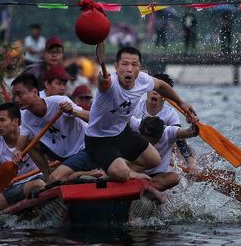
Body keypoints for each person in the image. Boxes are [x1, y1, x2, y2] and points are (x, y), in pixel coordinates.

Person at [84, 45, 197, 182]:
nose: (129, 69)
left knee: (154, 159)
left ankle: (120, 171)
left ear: (140, 68)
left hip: (121, 132)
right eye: (124, 64)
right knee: (120, 172)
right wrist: (102, 82)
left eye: (134, 64)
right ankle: (129, 174)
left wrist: (181, 102)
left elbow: (161, 85)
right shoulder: (110, 82)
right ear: (116, 66)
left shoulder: (143, 80)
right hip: (99, 138)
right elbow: (102, 82)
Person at [11, 73, 96, 183]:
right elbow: (22, 143)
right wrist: (17, 151)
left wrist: (73, 111)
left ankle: (83, 174)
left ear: (34, 92)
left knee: (57, 178)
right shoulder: (26, 116)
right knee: (30, 145)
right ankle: (48, 177)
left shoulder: (59, 102)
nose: (16, 99)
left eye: (19, 94)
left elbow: (93, 119)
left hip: (82, 149)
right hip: (62, 155)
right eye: (15, 95)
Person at [0, 103, 46, 211]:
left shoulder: (31, 136)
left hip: (37, 177)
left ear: (16, 122)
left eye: (2, 120)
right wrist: (2, 180)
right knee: (39, 185)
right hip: (11, 187)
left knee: (47, 181)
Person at [132, 73, 198, 174]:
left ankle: (180, 162)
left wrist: (191, 162)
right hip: (136, 149)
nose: (155, 92)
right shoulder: (135, 107)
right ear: (147, 90)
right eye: (152, 89)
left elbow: (179, 138)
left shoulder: (170, 114)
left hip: (159, 151)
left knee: (174, 142)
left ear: (166, 96)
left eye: (159, 90)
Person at [131, 116, 198, 191]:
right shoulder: (136, 124)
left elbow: (190, 132)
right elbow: (120, 115)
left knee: (175, 177)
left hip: (156, 176)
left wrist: (194, 123)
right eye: (146, 140)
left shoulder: (168, 132)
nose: (150, 145)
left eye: (152, 141)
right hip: (134, 170)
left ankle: (148, 188)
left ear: (161, 134)